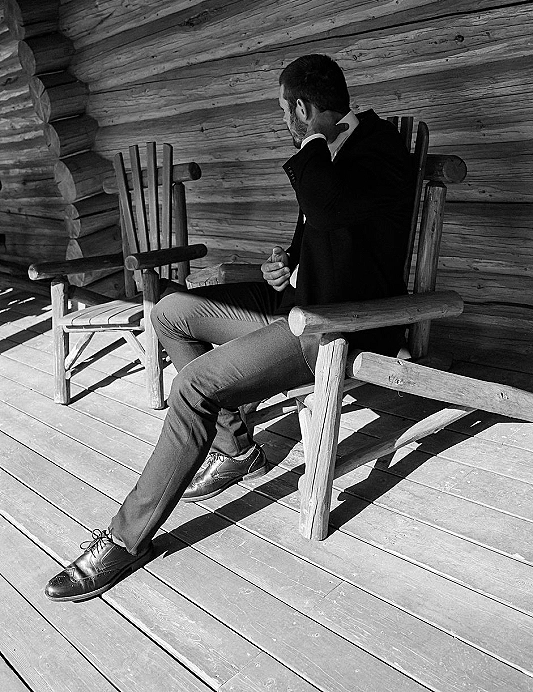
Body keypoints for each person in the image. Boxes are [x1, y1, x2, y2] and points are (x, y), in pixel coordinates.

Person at [44, 54, 415, 602]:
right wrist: (286, 263)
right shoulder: (333, 155)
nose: (285, 126)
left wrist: (314, 140)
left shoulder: (379, 149)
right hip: (297, 301)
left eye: (286, 114)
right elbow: (325, 231)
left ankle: (125, 539)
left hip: (337, 325)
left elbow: (330, 207)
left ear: (301, 108)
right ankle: (234, 444)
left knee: (192, 387)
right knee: (169, 310)